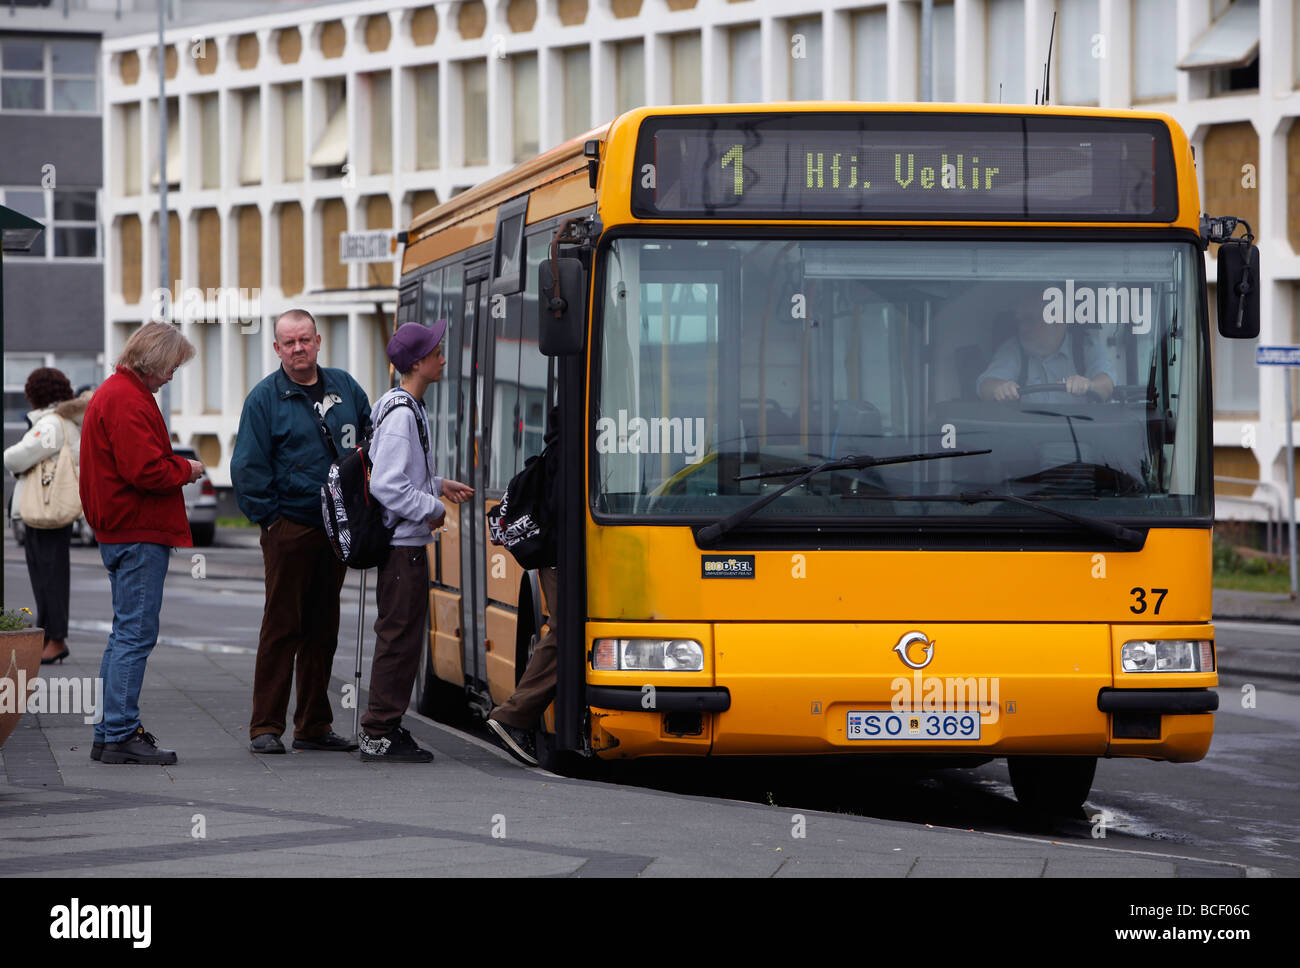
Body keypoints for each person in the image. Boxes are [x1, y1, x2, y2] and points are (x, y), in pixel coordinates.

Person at [231, 309, 371, 755]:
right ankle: (265, 727)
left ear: (318, 341)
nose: (298, 349)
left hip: (337, 529)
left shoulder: (346, 388)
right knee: (281, 627)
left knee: (323, 627)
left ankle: (313, 725)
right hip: (289, 525)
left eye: (304, 340)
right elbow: (247, 467)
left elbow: (372, 441)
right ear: (276, 348)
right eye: (288, 343)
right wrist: (271, 520)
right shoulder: (264, 399)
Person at [79, 322, 203, 765]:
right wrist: (185, 469)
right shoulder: (128, 399)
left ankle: (110, 730)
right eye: (172, 365)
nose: (172, 375)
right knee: (135, 634)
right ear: (153, 360)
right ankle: (120, 734)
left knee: (123, 634)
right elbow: (146, 471)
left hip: (121, 529)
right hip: (138, 530)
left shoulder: (115, 393)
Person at [358, 321, 473, 762]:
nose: (442, 358)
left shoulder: (399, 404)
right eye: (437, 352)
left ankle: (385, 727)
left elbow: (401, 472)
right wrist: (433, 508)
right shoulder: (404, 414)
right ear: (418, 363)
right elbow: (388, 484)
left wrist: (439, 484)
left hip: (403, 543)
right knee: (399, 640)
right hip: (403, 547)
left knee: (401, 638)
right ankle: (378, 732)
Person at [4, 368, 92, 664]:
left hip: (45, 508)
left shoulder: (52, 424)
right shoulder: (65, 422)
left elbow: (16, 456)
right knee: (49, 575)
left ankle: (55, 639)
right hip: (53, 508)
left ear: (36, 394)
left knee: (48, 577)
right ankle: (49, 637)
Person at [977, 289, 1116, 405]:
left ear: (1057, 320)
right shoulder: (1014, 348)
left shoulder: (1086, 346)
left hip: (1079, 433)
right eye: (1020, 320)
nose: (1022, 327)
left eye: (1030, 319)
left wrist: (1089, 385)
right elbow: (986, 386)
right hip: (1028, 433)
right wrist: (1000, 388)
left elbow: (1106, 385)